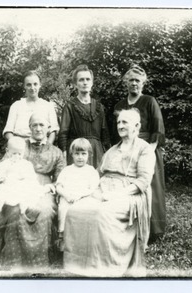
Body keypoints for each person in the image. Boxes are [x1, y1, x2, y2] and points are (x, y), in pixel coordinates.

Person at [63, 109, 156, 277]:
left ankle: (106, 265)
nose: (120, 126)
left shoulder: (145, 149)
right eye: (119, 122)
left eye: (124, 122)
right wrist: (89, 191)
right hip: (102, 188)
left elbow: (143, 181)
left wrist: (116, 195)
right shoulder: (112, 149)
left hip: (129, 193)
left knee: (100, 213)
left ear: (137, 126)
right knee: (75, 210)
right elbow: (99, 173)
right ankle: (76, 264)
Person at [0, 112, 65, 271]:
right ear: (29, 128)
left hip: (44, 187)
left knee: (44, 211)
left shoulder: (56, 151)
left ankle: (39, 263)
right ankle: (15, 262)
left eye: (42, 125)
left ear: (48, 128)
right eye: (34, 125)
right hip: (18, 186)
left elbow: (60, 177)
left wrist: (52, 187)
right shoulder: (20, 146)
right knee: (14, 211)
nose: (38, 128)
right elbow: (5, 164)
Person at [113, 65, 166, 240]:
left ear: (143, 83)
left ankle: (153, 229)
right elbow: (119, 129)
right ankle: (130, 225)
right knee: (127, 185)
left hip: (146, 148)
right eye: (131, 80)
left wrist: (149, 149)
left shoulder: (149, 101)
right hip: (127, 149)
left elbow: (157, 126)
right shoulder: (120, 105)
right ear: (126, 83)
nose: (134, 84)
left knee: (149, 186)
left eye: (137, 81)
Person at [58, 64, 110, 168]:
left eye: (88, 79)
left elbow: (105, 133)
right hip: (77, 151)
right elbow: (63, 132)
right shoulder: (70, 106)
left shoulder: (99, 107)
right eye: (81, 80)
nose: (85, 82)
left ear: (92, 83)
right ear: (75, 84)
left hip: (96, 152)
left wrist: (108, 153)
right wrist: (63, 153)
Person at [56, 138, 100, 246]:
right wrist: (66, 195)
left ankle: (85, 241)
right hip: (68, 198)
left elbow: (92, 188)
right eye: (77, 153)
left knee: (87, 210)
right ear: (72, 154)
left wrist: (79, 195)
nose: (80, 157)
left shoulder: (91, 171)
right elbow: (59, 186)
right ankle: (63, 237)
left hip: (84, 197)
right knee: (63, 208)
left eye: (83, 154)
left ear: (88, 155)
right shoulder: (67, 170)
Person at [2, 70, 59, 144]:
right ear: (24, 86)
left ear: (40, 85)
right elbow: (8, 131)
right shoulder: (16, 106)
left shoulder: (48, 106)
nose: (32, 88)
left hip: (42, 145)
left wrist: (47, 146)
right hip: (20, 146)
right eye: (29, 85)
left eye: (35, 84)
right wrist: (17, 145)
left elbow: (53, 130)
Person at [0, 137, 44, 215]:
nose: (17, 156)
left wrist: (27, 178)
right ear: (8, 151)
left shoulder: (26, 164)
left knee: (29, 193)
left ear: (23, 152)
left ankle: (25, 207)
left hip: (22, 184)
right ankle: (1, 205)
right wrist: (2, 177)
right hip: (10, 184)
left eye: (20, 154)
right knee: (0, 193)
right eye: (14, 153)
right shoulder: (5, 163)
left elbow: (31, 175)